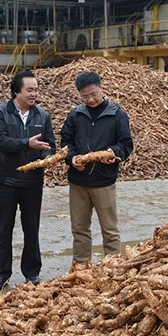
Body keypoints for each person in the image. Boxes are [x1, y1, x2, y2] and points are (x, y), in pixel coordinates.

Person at [0, 70, 56, 289]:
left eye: (36, 89)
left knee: (32, 228)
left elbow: (49, 145)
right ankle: (0, 274)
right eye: (29, 90)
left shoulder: (42, 116)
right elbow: (0, 141)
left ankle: (32, 272)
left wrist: (46, 158)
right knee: (3, 228)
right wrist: (27, 144)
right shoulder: (0, 113)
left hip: (33, 182)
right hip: (6, 180)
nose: (34, 94)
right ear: (17, 90)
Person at [60, 71, 133, 269]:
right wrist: (72, 158)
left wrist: (113, 152)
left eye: (94, 94)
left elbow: (126, 145)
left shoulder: (117, 114)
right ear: (79, 95)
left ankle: (113, 267)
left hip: (104, 181)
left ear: (101, 88)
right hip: (78, 181)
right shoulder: (75, 115)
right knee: (79, 228)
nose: (90, 99)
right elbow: (66, 143)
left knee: (109, 229)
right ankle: (81, 267)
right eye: (85, 96)